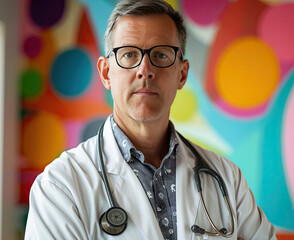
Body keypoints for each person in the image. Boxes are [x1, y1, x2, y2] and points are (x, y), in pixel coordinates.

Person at [25, 0, 277, 239]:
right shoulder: (60, 186)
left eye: (161, 55)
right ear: (106, 73)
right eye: (129, 55)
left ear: (182, 74)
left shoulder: (226, 178)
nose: (145, 69)